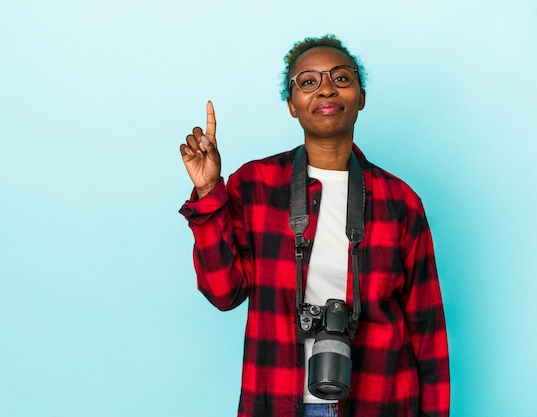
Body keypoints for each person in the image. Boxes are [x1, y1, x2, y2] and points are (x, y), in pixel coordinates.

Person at [178, 34, 450, 417]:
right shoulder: (254, 185)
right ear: (292, 104)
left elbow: (428, 328)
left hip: (380, 399)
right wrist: (208, 192)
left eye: (341, 78)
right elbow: (223, 293)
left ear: (361, 96)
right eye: (308, 81)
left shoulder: (400, 201)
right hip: (277, 398)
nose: (325, 88)